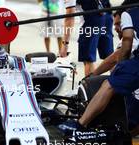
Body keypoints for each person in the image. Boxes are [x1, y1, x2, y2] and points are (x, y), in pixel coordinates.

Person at [59, 4, 139, 136]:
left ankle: (80, 125)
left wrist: (90, 77)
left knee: (109, 85)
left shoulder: (129, 15)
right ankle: (128, 135)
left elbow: (118, 54)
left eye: (118, 24)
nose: (116, 28)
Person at [60, 0, 114, 76]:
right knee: (110, 57)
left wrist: (65, 44)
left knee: (88, 59)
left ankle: (92, 87)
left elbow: (70, 17)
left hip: (90, 20)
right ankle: (119, 85)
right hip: (107, 16)